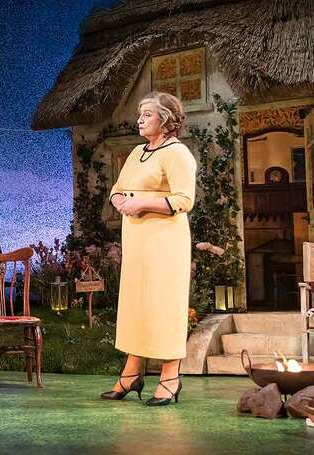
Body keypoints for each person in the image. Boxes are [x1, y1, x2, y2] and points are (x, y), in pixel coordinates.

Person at [101, 92, 197, 406]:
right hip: (138, 240)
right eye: (140, 114)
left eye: (147, 115)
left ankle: (171, 376)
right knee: (136, 303)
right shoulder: (137, 152)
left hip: (165, 241)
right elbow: (117, 188)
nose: (140, 120)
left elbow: (184, 200)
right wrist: (119, 201)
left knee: (164, 305)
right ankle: (132, 372)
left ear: (165, 120)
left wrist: (142, 201)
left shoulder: (177, 153)